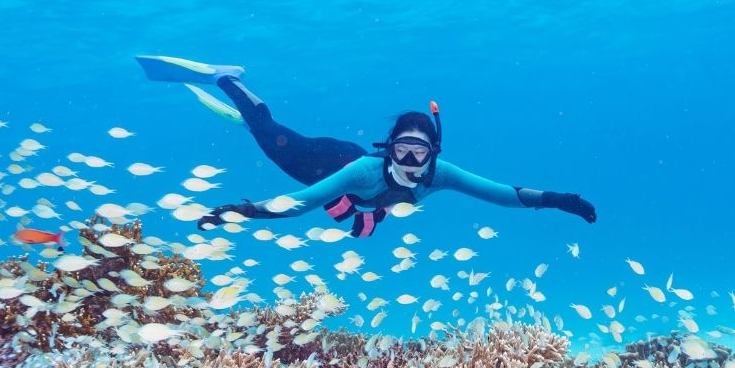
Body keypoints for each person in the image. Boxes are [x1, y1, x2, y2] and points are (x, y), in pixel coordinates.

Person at [135, 55, 598, 237]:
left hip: (361, 203)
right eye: (403, 150)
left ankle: (248, 121)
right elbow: (299, 204)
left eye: (421, 152)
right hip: (324, 164)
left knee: (362, 228)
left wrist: (558, 200)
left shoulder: (441, 174)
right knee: (271, 137)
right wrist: (240, 209)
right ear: (389, 148)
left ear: (433, 155)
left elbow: (502, 195)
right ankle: (226, 80)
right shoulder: (365, 171)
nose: (412, 162)